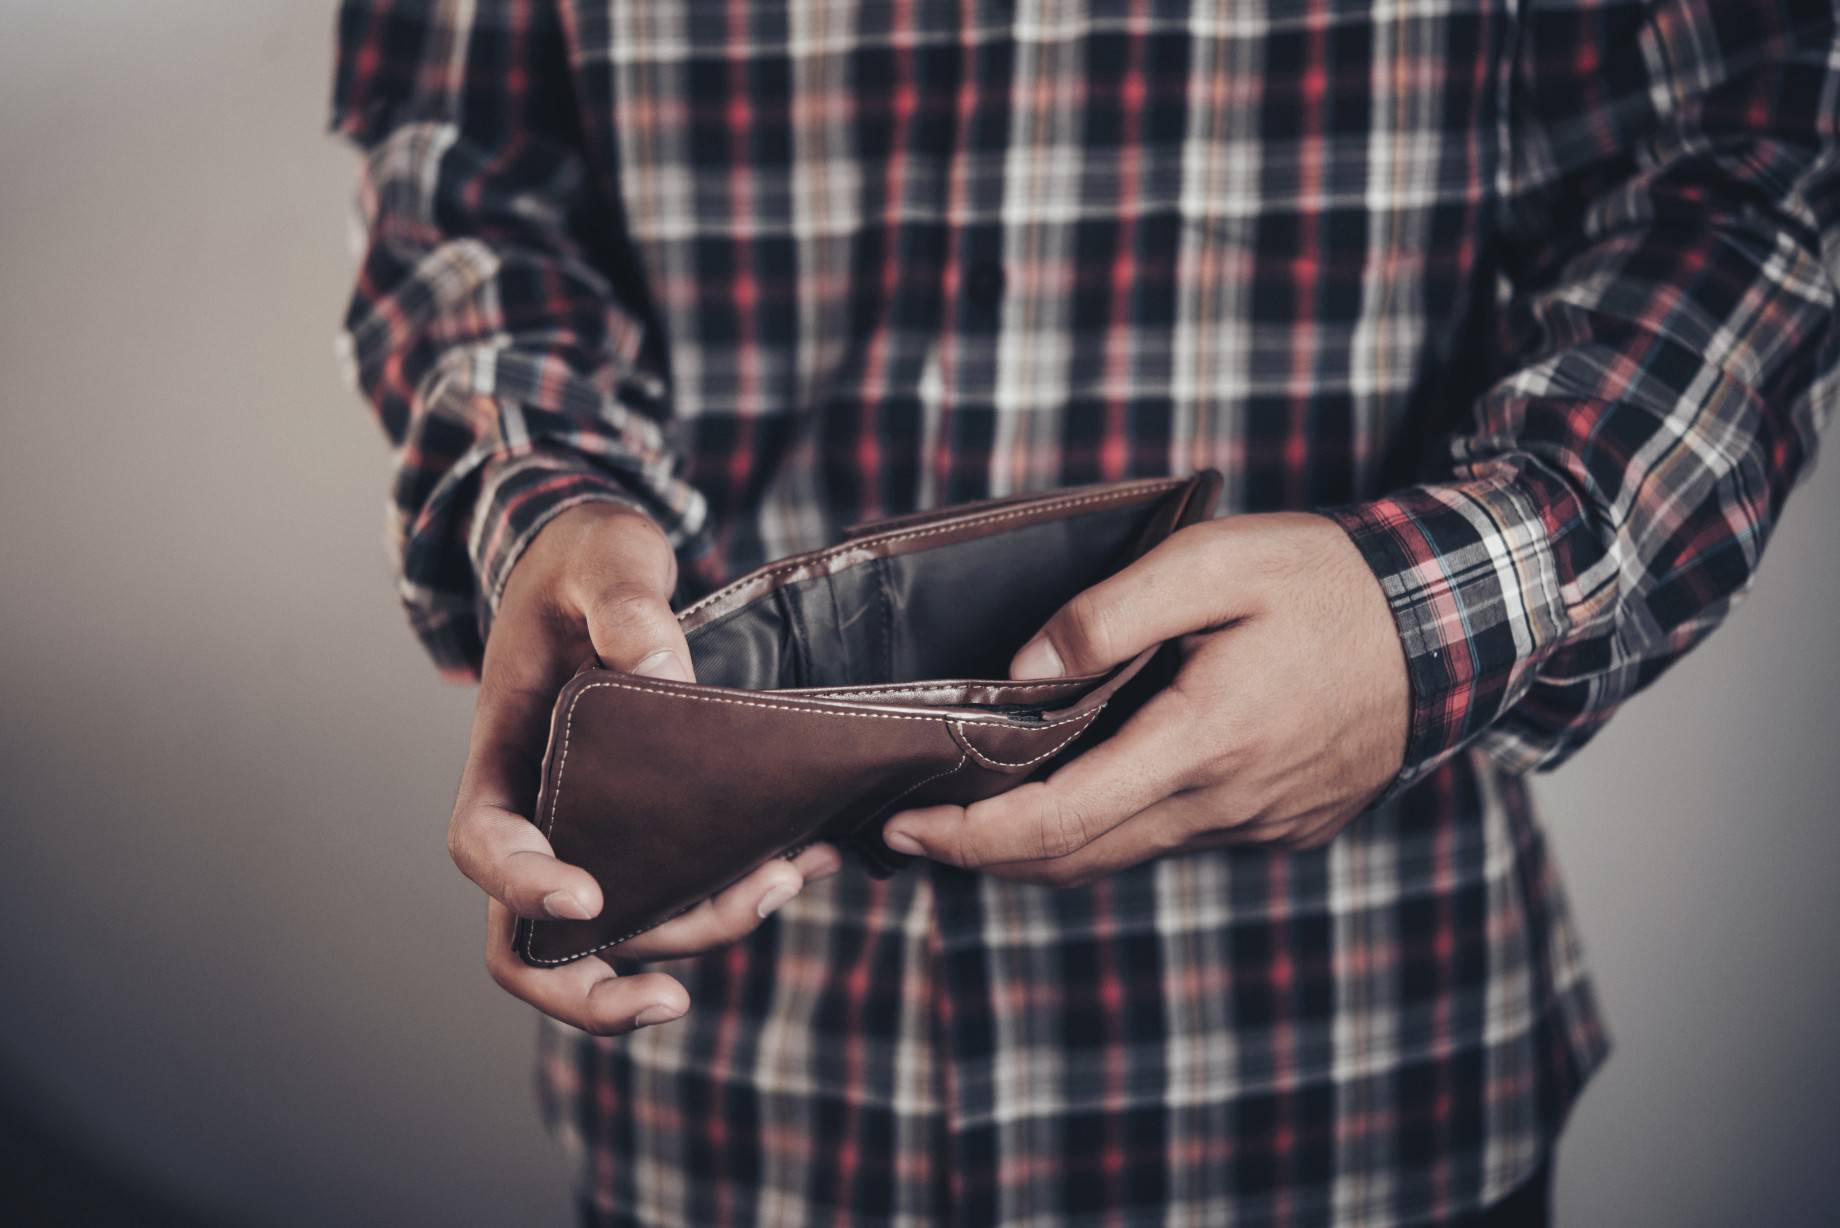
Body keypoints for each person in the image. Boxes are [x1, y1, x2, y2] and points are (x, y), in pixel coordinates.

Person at [331, 0, 1837, 1223]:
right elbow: (465, 171)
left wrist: (1445, 603)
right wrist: (534, 503)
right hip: (731, 1084)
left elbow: (1766, 152)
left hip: (1355, 1064)